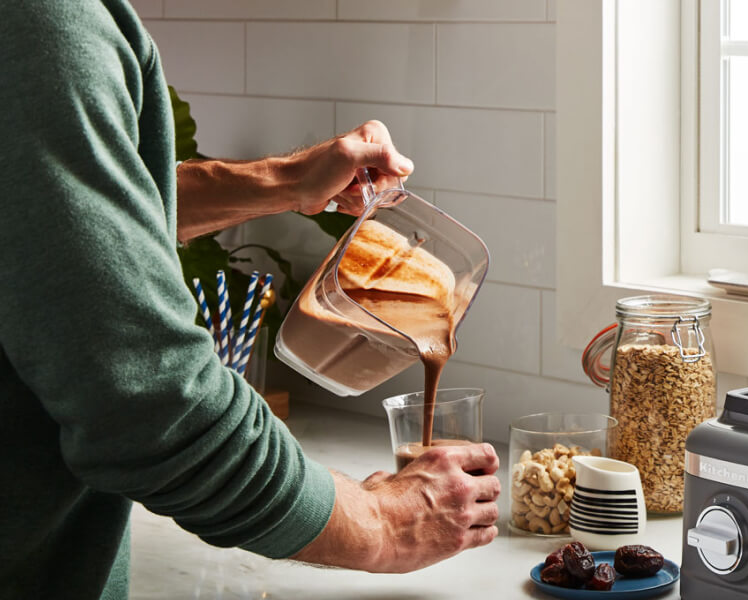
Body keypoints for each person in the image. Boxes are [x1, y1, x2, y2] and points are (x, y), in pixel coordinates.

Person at [0, 2, 501, 599]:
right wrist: (385, 524)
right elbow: (151, 402)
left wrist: (287, 182)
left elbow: (58, 214)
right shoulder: (39, 22)